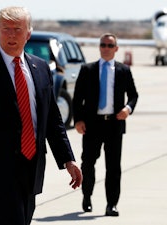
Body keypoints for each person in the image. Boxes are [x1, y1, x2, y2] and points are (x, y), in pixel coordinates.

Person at [0, 6, 82, 225]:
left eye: (17, 29)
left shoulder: (41, 68)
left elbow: (52, 120)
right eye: (6, 29)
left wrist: (68, 159)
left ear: (28, 33)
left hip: (30, 168)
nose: (11, 34)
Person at [73, 33, 139, 216]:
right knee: (87, 164)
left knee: (113, 166)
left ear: (116, 49)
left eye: (110, 45)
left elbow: (134, 95)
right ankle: (87, 196)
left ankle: (112, 204)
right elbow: (77, 98)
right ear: (99, 47)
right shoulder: (87, 69)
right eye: (103, 45)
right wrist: (78, 120)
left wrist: (128, 108)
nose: (106, 48)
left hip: (114, 124)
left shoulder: (123, 71)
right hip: (92, 125)